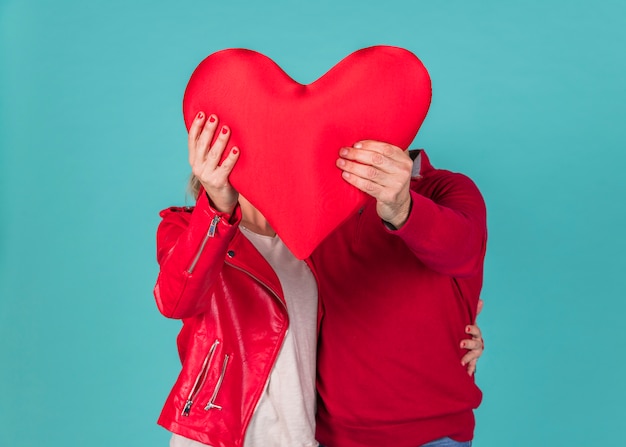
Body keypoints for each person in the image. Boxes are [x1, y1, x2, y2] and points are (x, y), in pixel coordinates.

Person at [153, 113, 485, 446]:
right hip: (225, 433)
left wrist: (452, 326)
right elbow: (177, 299)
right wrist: (215, 208)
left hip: (309, 436)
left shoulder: (305, 238)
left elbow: (450, 255)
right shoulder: (191, 231)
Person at [312, 140, 487, 447]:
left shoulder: (449, 187)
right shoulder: (316, 199)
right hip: (332, 433)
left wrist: (402, 207)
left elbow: (464, 251)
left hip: (435, 433)